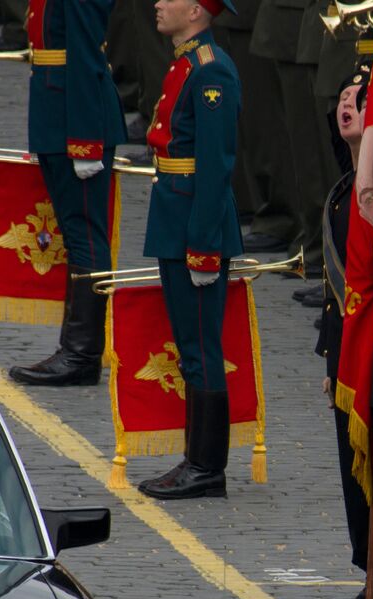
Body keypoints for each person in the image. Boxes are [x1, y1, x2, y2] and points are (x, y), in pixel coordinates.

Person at [136, 0, 242, 500]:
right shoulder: (186, 61)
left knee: (201, 348)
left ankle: (206, 466)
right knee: (189, 346)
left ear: (198, 10)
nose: (158, 3)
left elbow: (215, 166)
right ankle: (195, 459)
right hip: (175, 213)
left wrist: (204, 246)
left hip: (195, 225)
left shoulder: (210, 70)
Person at [7, 0, 127, 386]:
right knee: (76, 236)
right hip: (55, 112)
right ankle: (74, 348)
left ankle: (81, 353)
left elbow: (87, 56)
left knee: (86, 237)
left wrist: (86, 140)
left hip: (75, 120)